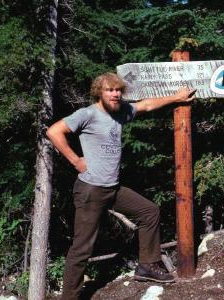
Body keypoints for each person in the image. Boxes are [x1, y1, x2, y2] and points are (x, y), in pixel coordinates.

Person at [46, 72, 195, 300]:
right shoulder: (87, 114)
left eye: (117, 90)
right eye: (109, 90)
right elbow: (54, 131)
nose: (115, 94)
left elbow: (145, 105)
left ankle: (147, 266)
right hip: (91, 190)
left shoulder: (122, 111)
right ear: (99, 92)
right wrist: (76, 161)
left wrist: (176, 97)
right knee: (82, 248)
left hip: (112, 188)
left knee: (149, 212)